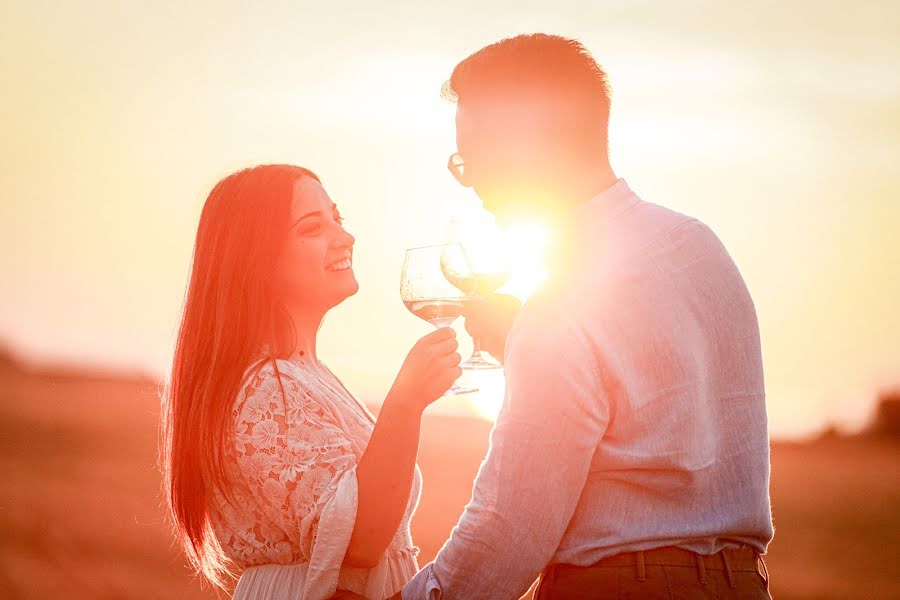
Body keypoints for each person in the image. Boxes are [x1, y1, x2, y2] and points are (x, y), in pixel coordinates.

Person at [397, 33, 774, 599]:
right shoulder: (698, 246)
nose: (469, 182)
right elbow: (664, 414)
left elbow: (508, 530)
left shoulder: (564, 302)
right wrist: (522, 349)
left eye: (470, 159)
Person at [160, 164, 462, 599]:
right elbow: (358, 542)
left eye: (339, 219)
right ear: (257, 259)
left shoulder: (304, 376)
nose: (345, 237)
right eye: (312, 228)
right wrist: (407, 401)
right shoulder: (267, 387)